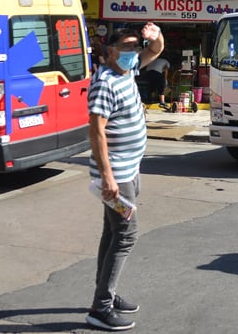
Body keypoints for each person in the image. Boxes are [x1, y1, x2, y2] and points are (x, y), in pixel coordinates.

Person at [86, 22, 164, 331]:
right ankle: (100, 308)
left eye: (135, 46)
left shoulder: (127, 71)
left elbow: (156, 50)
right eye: (126, 47)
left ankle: (106, 292)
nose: (133, 52)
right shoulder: (105, 81)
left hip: (129, 171)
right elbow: (96, 131)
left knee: (112, 232)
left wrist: (155, 35)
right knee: (127, 235)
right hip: (116, 178)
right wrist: (108, 178)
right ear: (110, 50)